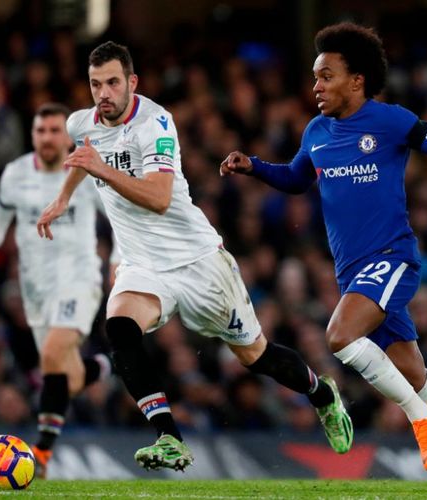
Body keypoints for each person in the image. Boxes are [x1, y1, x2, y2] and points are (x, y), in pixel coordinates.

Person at [220, 22, 427, 494]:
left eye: (326, 76)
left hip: (391, 257)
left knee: (340, 337)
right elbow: (298, 178)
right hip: (352, 272)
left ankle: (422, 420)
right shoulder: (317, 131)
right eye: (315, 77)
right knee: (416, 377)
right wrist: (254, 167)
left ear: (356, 80)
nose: (316, 86)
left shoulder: (390, 121)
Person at [36, 41, 353, 472]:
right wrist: (61, 199)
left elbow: (160, 198)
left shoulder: (155, 123)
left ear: (132, 82)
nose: (103, 93)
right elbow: (83, 153)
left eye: (112, 82)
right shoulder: (82, 123)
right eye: (95, 85)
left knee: (255, 356)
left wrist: (100, 169)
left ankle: (322, 394)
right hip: (142, 264)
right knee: (120, 328)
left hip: (198, 262)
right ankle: (170, 437)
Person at [0, 103, 110, 478]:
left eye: (53, 130)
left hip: (79, 279)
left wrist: (120, 260)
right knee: (67, 375)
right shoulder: (15, 174)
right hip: (35, 289)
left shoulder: (86, 170)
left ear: (67, 136)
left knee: (51, 354)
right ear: (33, 135)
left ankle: (41, 453)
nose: (47, 138)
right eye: (40, 131)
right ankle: (102, 366)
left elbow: (119, 216)